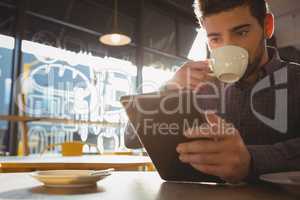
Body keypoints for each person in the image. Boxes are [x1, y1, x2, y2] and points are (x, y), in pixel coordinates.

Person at [125, 0, 300, 183]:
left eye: (241, 32)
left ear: (267, 26)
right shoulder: (197, 87)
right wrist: (168, 88)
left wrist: (252, 160)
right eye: (215, 39)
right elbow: (131, 139)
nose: (228, 47)